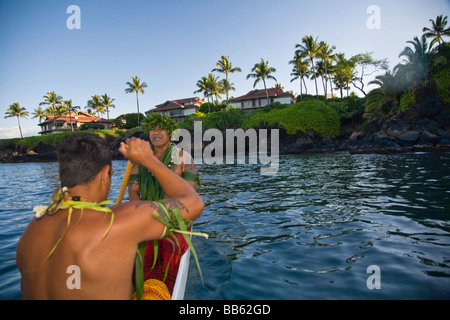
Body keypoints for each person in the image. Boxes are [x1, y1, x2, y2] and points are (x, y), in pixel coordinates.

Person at [16, 133, 204, 299]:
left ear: (62, 175)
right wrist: (149, 160)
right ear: (106, 174)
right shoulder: (117, 221)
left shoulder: (32, 228)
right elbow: (193, 203)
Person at [127, 113, 199, 294]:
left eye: (161, 129)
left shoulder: (185, 159)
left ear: (170, 132)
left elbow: (188, 192)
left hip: (174, 218)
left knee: (167, 244)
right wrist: (142, 213)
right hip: (144, 216)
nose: (156, 132)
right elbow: (133, 191)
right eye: (152, 128)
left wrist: (159, 214)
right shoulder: (137, 161)